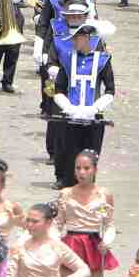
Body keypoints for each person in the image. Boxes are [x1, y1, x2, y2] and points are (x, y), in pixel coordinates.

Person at [55, 151, 118, 277]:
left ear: (95, 170)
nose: (81, 172)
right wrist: (55, 244)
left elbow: (109, 224)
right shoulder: (65, 194)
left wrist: (107, 241)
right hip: (71, 246)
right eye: (78, 168)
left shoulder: (104, 195)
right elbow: (57, 224)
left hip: (93, 248)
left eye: (86, 168)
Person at [50, 23, 115, 189]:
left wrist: (94, 109)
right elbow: (58, 89)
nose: (73, 42)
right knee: (68, 156)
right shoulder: (67, 59)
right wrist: (69, 108)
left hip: (93, 120)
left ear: (87, 38)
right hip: (71, 119)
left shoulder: (103, 60)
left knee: (90, 159)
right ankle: (66, 185)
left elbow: (110, 90)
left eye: (77, 38)